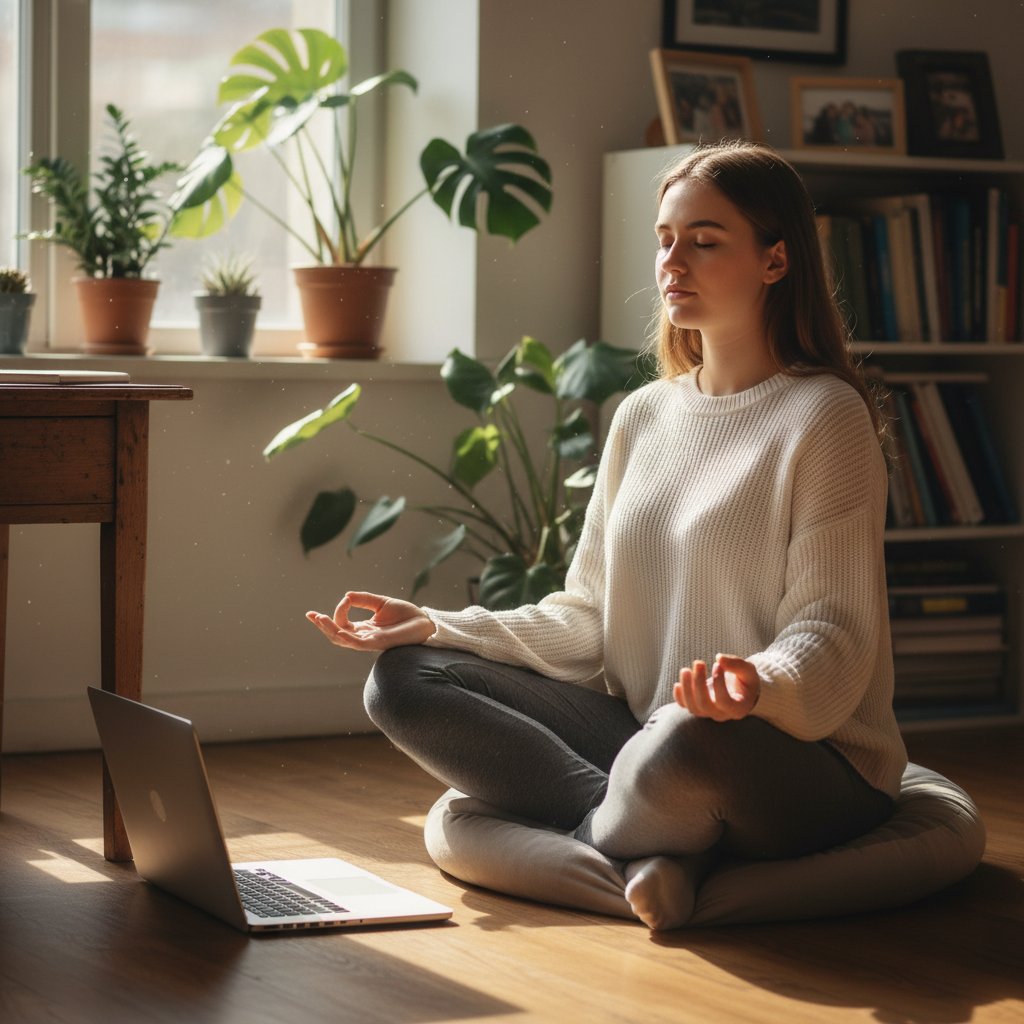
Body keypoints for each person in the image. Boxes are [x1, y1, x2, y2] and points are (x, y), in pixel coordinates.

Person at [306, 139, 908, 931]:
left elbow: (836, 633)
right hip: (648, 737)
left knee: (685, 734)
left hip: (785, 753)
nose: (673, 262)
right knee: (402, 679)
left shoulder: (823, 416)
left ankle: (621, 838)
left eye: (704, 240)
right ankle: (655, 842)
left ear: (775, 260)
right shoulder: (644, 417)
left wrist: (757, 685)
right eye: (665, 239)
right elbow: (589, 615)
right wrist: (439, 625)